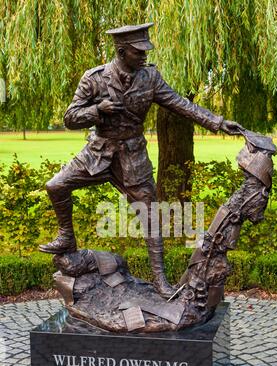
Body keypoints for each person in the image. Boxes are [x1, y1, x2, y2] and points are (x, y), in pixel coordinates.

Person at [39, 23, 243, 298]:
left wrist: (218, 123)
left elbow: (182, 105)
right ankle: (67, 237)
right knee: (55, 185)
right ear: (122, 52)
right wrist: (97, 110)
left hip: (132, 156)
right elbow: (70, 118)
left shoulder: (151, 78)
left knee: (150, 217)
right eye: (138, 52)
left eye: (146, 51)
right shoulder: (94, 78)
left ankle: (160, 281)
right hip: (98, 152)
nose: (144, 56)